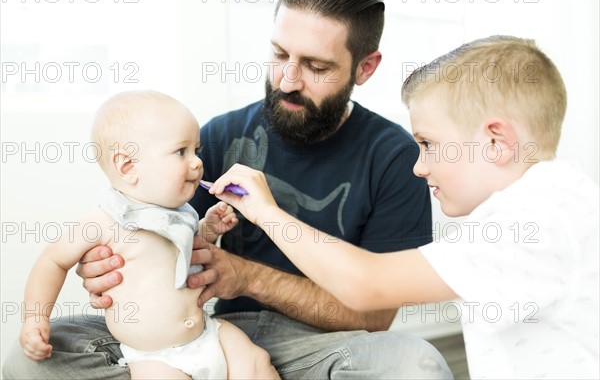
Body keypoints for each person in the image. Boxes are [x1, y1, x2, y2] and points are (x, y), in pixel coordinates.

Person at [3, 0, 453, 379]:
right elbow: (153, 242)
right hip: (207, 331)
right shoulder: (215, 137)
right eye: (279, 55)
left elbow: (375, 316)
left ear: (365, 68)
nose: (288, 80)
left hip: (318, 347)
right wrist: (108, 270)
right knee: (32, 360)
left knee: (417, 365)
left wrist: (245, 276)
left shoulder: (396, 157)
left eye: (316, 66)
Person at [208, 36, 600, 379]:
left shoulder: (534, 220)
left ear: (496, 143)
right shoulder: (556, 200)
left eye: (427, 144)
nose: (419, 166)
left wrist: (265, 211)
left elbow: (367, 286)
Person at [15, 90, 280, 380]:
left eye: (197, 151)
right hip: (156, 359)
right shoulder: (105, 222)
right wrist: (35, 318)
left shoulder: (182, 212)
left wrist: (209, 228)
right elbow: (52, 261)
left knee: (256, 361)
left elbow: (190, 256)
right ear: (128, 166)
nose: (197, 163)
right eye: (181, 152)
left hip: (208, 334)